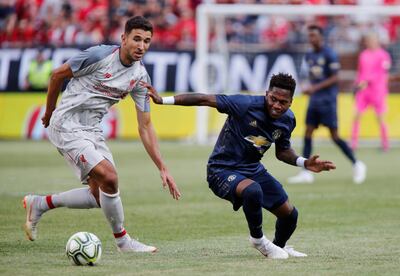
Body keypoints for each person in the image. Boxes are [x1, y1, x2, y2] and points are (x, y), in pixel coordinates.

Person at [22, 16, 181, 253]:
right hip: (66, 124)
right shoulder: (99, 56)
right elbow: (57, 75)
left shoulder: (140, 78)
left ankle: (40, 204)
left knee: (99, 196)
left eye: (147, 41)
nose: (142, 46)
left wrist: (162, 167)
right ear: (123, 38)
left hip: (92, 130)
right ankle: (123, 242)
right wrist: (50, 111)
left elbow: (145, 126)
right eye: (136, 39)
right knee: (110, 177)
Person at [142, 73, 336, 259]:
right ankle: (258, 240)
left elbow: (282, 151)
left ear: (291, 102)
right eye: (273, 99)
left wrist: (303, 162)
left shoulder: (288, 120)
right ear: (266, 94)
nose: (276, 105)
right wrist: (162, 100)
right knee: (253, 191)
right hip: (221, 169)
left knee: (290, 215)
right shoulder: (245, 104)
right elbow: (204, 99)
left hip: (253, 169)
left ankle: (278, 247)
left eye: (283, 102)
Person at [288, 25, 366, 185]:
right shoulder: (309, 55)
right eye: (309, 36)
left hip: (328, 101)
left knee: (334, 136)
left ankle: (357, 163)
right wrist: (305, 85)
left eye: (314, 36)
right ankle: (305, 172)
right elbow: (310, 75)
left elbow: (335, 77)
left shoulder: (329, 53)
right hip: (314, 101)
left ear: (321, 37)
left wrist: (314, 88)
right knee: (308, 132)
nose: (312, 39)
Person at [351, 32, 391, 152]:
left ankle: (385, 144)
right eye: (368, 40)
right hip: (363, 91)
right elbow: (360, 72)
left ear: (377, 41)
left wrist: (368, 81)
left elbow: (382, 73)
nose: (369, 43)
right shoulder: (363, 55)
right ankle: (353, 143)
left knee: (380, 117)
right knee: (356, 115)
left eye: (372, 40)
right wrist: (356, 85)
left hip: (377, 90)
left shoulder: (384, 55)